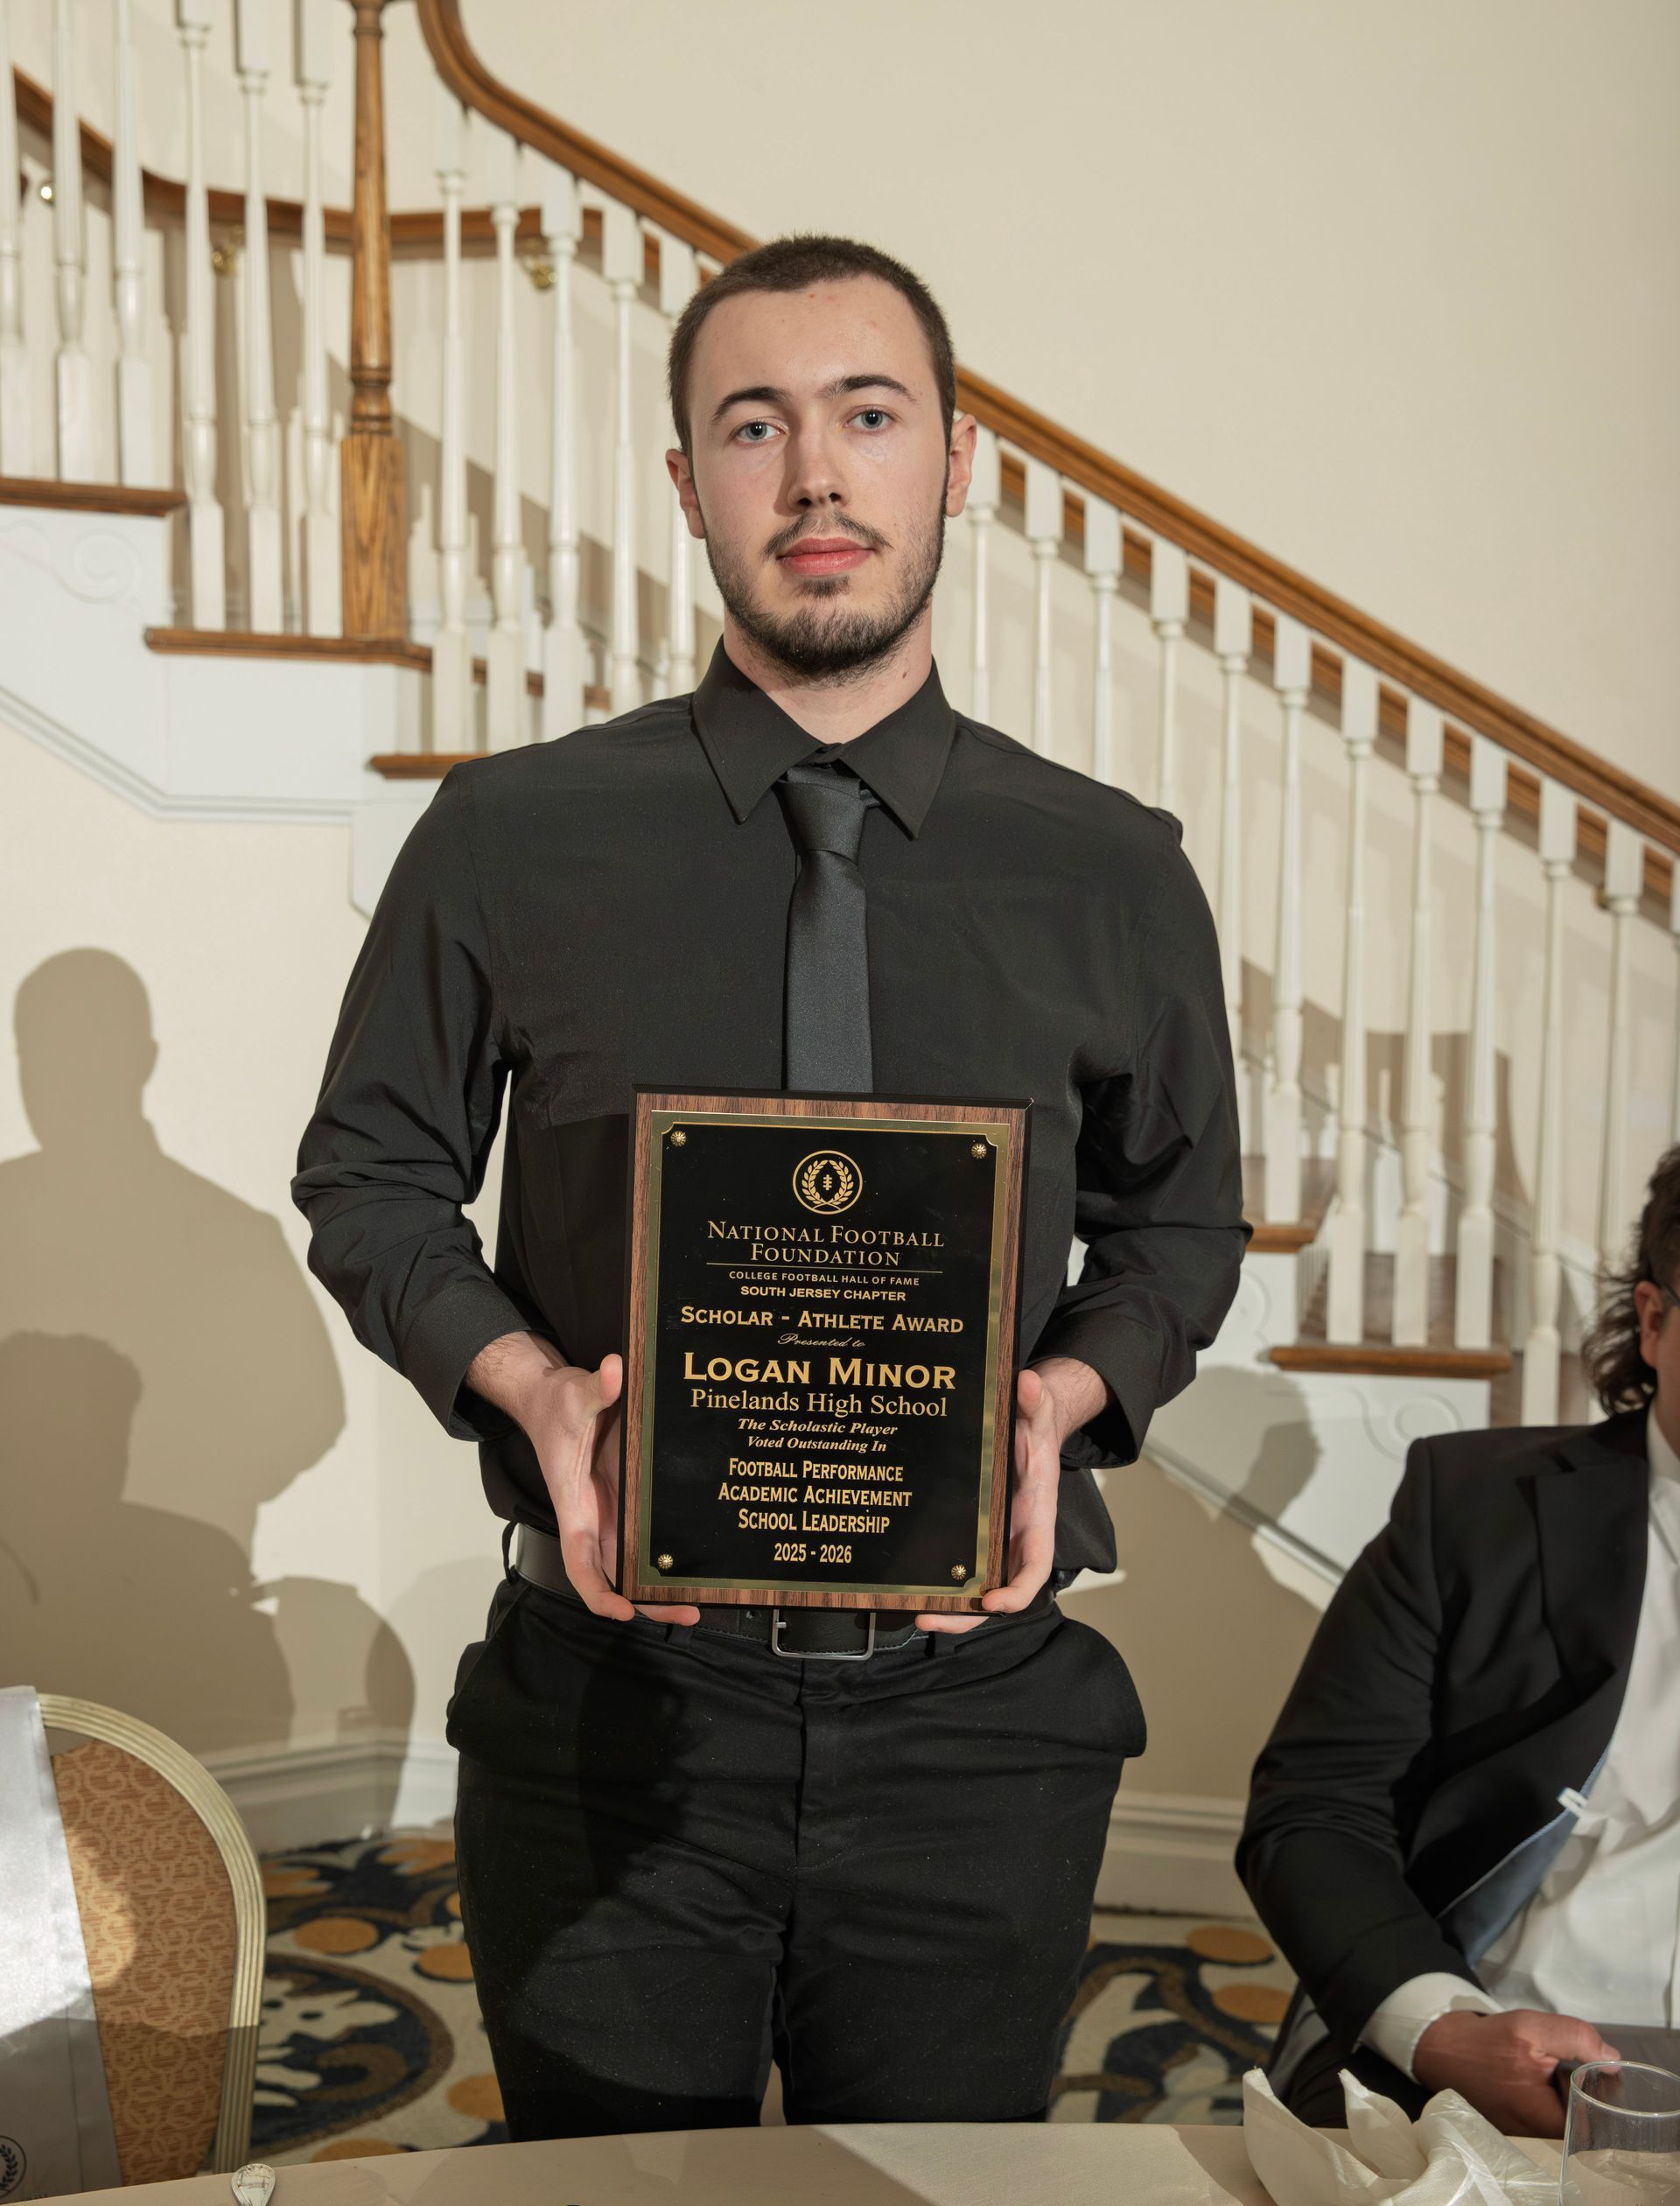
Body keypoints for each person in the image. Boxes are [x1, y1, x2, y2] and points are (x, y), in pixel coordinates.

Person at [293, 234, 1246, 2139]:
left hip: (978, 1731)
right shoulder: (506, 836)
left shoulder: (1113, 868)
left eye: (868, 417)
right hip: (616, 1715)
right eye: (757, 426)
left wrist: (1060, 1397)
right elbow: (374, 1177)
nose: (817, 475)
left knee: (935, 2191)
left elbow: (1178, 1224)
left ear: (958, 461)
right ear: (690, 486)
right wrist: (530, 1385)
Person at [1239, 1144, 1680, 2139]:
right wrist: (1444, 2029)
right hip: (1493, 2049)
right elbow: (1315, 1811)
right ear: (1652, 1321)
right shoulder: (1470, 1509)